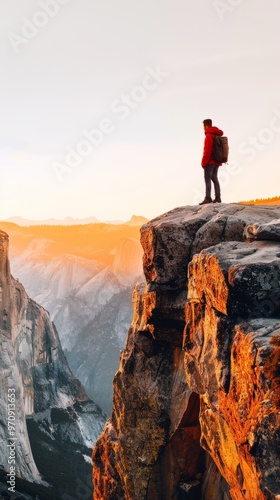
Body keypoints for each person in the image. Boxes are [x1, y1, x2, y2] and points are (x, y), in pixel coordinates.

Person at [199, 118, 223, 205]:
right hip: (217, 161)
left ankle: (208, 198)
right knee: (215, 178)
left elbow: (207, 151)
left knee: (207, 179)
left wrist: (203, 162)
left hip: (210, 162)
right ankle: (218, 197)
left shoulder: (209, 136)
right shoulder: (217, 134)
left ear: (205, 126)